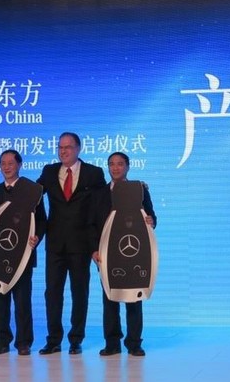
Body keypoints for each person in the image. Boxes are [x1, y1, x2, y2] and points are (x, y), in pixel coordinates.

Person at [0, 149, 47, 356]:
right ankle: (2, 340)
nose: (6, 167)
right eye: (2, 163)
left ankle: (24, 342)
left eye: (10, 163)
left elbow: (41, 220)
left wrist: (37, 237)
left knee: (23, 301)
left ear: (19, 165)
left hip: (22, 255)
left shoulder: (33, 190)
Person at [37, 132, 106, 356]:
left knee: (79, 292)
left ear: (78, 148)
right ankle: (53, 340)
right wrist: (1, 189)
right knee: (52, 293)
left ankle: (76, 339)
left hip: (81, 243)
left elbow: (105, 201)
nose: (63, 151)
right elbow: (32, 194)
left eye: (68, 147)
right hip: (55, 243)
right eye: (60, 147)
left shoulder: (93, 173)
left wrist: (136, 188)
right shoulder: (49, 171)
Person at [90, 152, 157, 357]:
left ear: (128, 166)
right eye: (111, 164)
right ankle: (112, 343)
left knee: (133, 300)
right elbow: (91, 224)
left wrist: (151, 221)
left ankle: (134, 343)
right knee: (109, 299)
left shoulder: (140, 190)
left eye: (120, 164)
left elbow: (151, 216)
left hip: (134, 253)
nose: (115, 168)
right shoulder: (99, 193)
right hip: (106, 254)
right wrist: (94, 249)